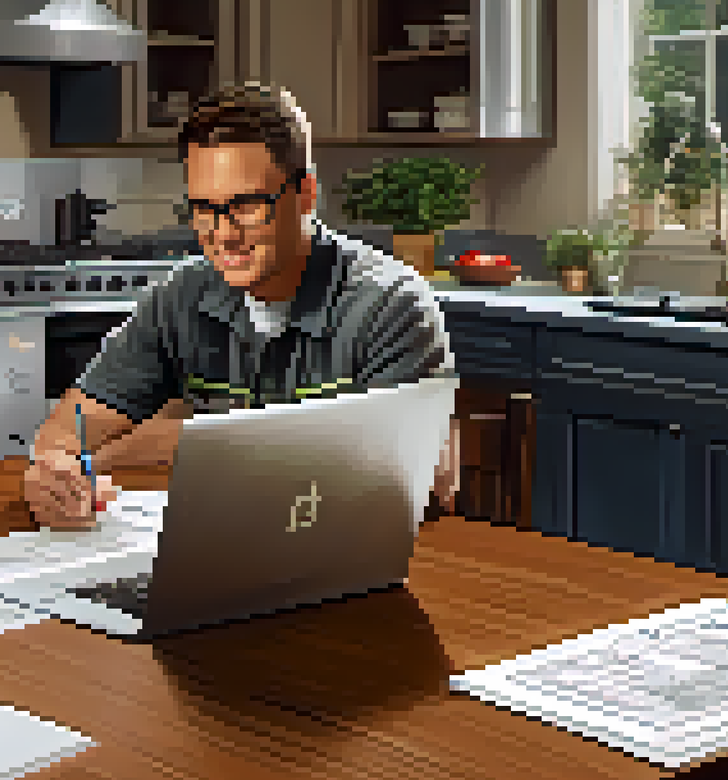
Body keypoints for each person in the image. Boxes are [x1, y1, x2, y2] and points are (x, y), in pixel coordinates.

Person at [24, 81, 459, 530]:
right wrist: (54, 470)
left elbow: (420, 480)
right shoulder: (181, 296)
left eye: (247, 206)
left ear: (305, 194)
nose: (224, 234)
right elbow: (72, 427)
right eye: (204, 209)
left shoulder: (391, 303)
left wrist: (170, 440)